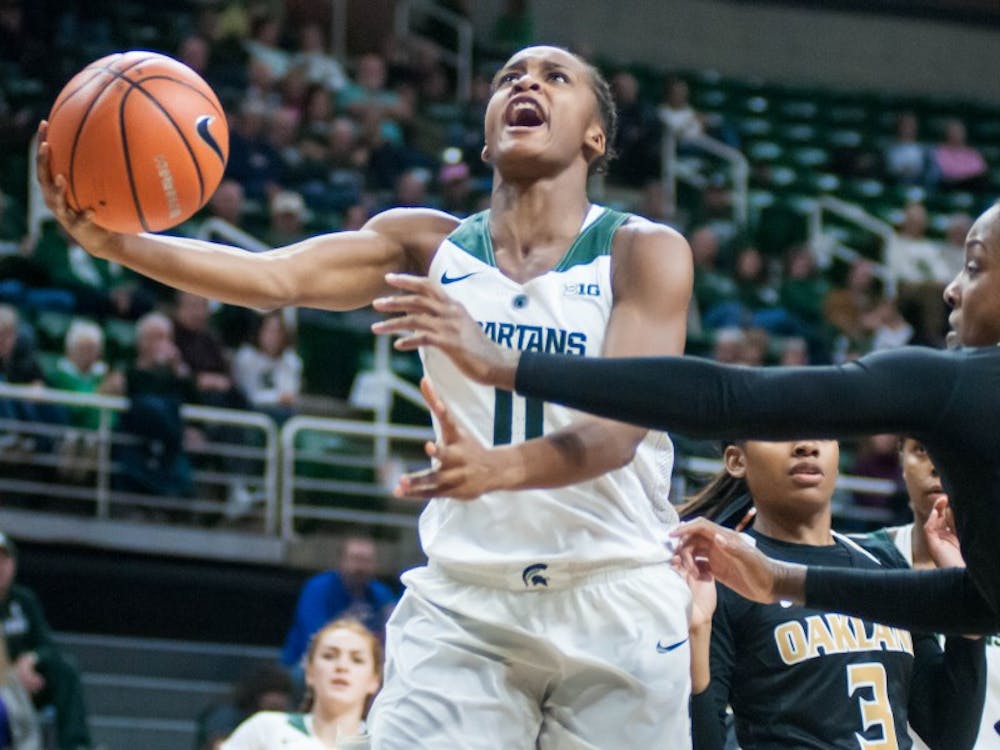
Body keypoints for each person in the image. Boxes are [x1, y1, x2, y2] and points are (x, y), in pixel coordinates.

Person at [38, 44, 696, 748]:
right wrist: (116, 245)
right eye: (509, 78)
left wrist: (498, 469)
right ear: (485, 138)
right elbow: (271, 278)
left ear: (596, 136)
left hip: (613, 588)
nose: (525, 84)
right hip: (469, 604)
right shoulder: (425, 245)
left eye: (554, 77)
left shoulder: (641, 252)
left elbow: (616, 433)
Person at [386, 199, 1000, 637]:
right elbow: (980, 602)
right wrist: (782, 580)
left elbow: (726, 399)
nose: (951, 289)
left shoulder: (956, 383)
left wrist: (509, 364)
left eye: (974, 266)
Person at [678, 439, 984, 750]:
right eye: (779, 433)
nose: (806, 445)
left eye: (822, 433)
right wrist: (697, 631)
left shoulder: (885, 562)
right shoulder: (725, 572)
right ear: (736, 460)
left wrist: (964, 599)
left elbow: (950, 737)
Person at [868, 438, 1000, 748]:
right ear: (901, 460)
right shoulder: (864, 560)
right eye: (922, 449)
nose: (936, 464)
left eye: (954, 446)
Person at [224, 618, 381, 750]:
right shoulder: (265, 729)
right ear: (309, 672)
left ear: (374, 680)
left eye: (357, 660)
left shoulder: (384, 745)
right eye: (329, 656)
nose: (342, 666)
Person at [0, 532, 92, 750]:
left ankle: (76, 746)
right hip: (4, 686)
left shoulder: (24, 600)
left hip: (29, 683)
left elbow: (48, 645)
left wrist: (31, 660)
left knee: (65, 670)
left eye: (4, 560)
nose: (0, 567)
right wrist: (12, 675)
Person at [281, 536, 396, 671]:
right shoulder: (318, 588)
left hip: (364, 664)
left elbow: (392, 635)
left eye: (366, 561)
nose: (360, 567)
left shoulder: (382, 594)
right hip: (310, 661)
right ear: (341, 562)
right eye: (355, 559)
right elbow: (314, 634)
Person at [195, 663, 294, 750]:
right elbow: (220, 745)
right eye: (271, 692)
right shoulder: (226, 717)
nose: (278, 700)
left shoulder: (288, 724)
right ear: (255, 694)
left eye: (282, 693)